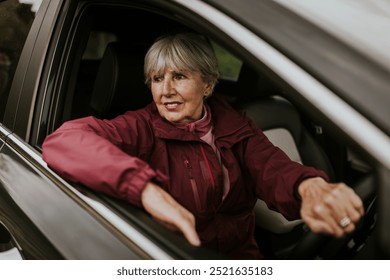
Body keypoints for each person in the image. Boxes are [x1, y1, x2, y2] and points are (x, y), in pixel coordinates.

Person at [42, 33, 364, 259]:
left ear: (207, 84)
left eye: (179, 76)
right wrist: (144, 189)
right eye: (156, 79)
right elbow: (64, 141)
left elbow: (272, 167)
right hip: (173, 260)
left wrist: (309, 187)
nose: (165, 90)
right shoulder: (140, 127)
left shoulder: (236, 126)